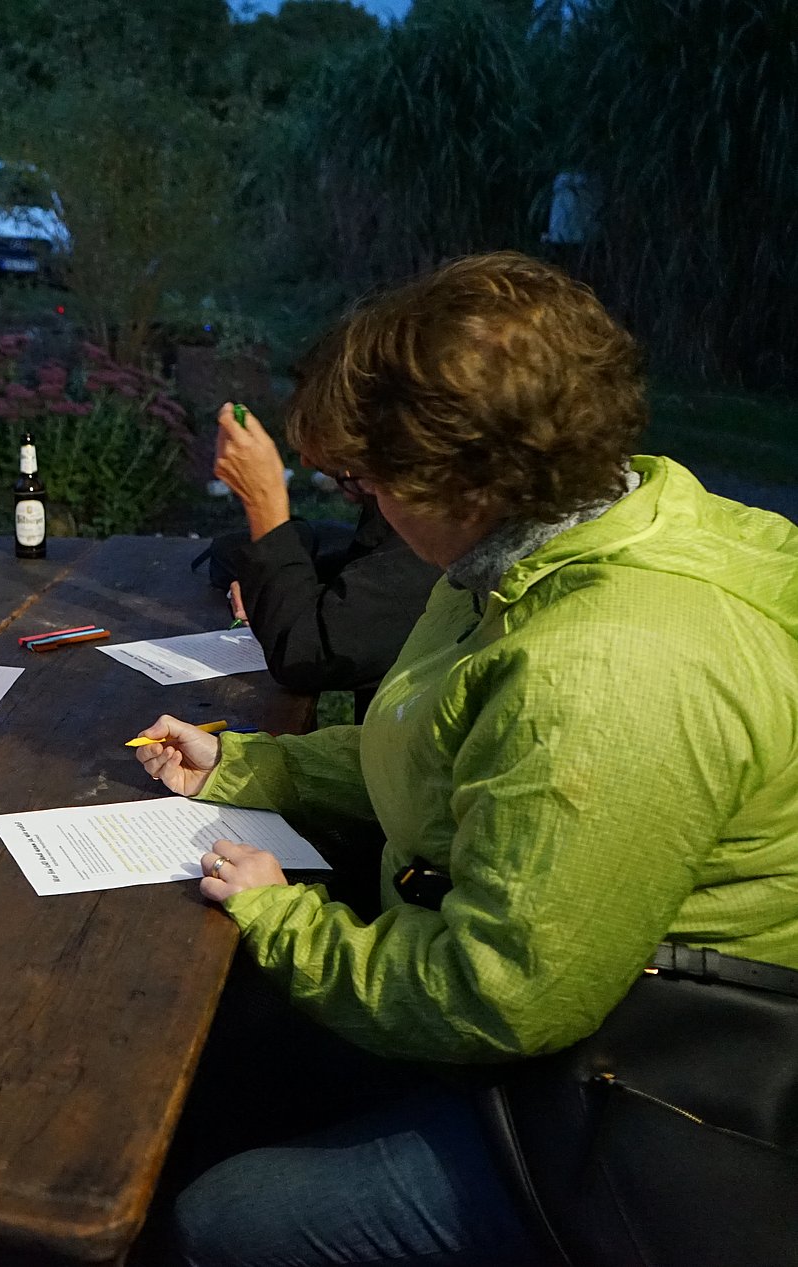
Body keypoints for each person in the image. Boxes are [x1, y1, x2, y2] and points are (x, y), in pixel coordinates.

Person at [130, 252, 798, 1266]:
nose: (366, 506)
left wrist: (282, 916)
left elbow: (502, 995)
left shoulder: (607, 670)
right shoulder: (544, 548)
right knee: (226, 1043)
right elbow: (439, 751)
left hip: (635, 1082)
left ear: (469, 478)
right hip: (551, 985)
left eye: (365, 482)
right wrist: (244, 767)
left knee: (226, 1217)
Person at [206, 400, 441, 721]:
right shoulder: (396, 529)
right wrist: (269, 581)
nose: (306, 461)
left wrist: (264, 502)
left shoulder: (425, 555)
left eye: (353, 473)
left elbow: (305, 654)